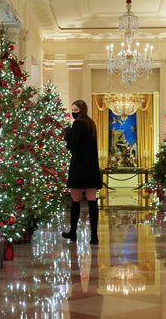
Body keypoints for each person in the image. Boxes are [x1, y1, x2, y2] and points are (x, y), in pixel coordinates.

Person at [62, 100, 102, 244]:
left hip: (79, 167)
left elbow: (72, 145)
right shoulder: (91, 123)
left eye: (75, 109)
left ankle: (73, 233)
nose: (73, 112)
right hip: (91, 168)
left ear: (81, 110)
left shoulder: (78, 123)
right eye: (72, 109)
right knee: (92, 201)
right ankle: (94, 236)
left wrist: (67, 132)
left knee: (76, 201)